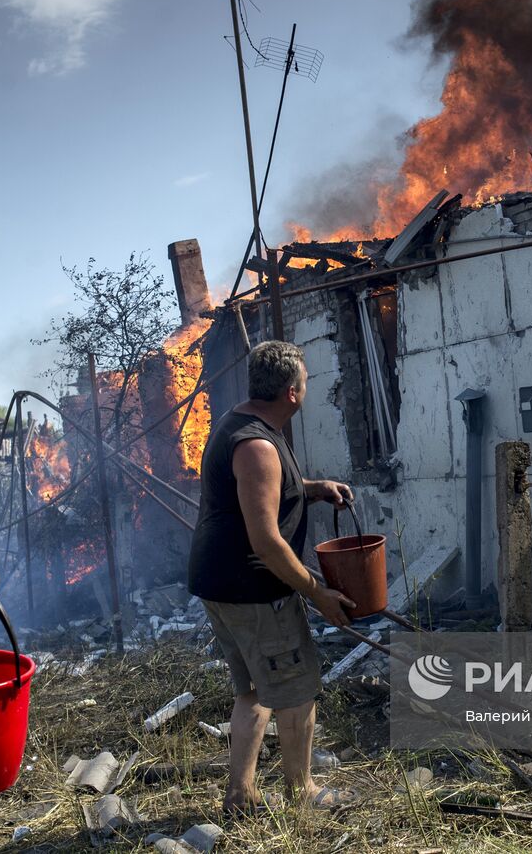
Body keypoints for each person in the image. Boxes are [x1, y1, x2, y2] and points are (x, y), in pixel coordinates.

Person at [188, 340, 361, 815]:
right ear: (292, 392)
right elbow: (265, 542)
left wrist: (313, 489)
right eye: (305, 382)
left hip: (220, 585)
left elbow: (260, 490)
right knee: (297, 689)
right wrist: (316, 592)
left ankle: (241, 795)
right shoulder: (258, 446)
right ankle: (302, 795)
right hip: (254, 591)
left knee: (253, 691)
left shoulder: (241, 424)